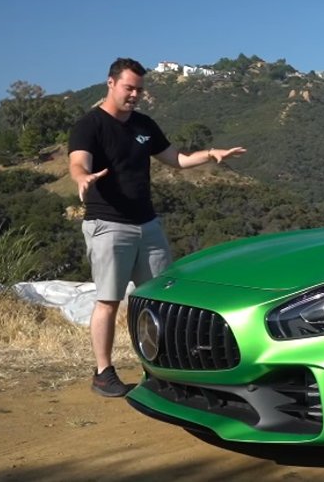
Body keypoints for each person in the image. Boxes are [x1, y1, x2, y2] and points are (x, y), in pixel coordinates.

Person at [68, 58, 246, 397]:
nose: (134, 94)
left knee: (161, 300)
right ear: (111, 83)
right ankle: (103, 372)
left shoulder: (144, 124)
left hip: (147, 225)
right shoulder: (90, 125)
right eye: (128, 87)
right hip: (108, 225)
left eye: (139, 90)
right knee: (108, 300)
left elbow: (175, 159)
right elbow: (78, 161)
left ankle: (161, 369)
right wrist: (81, 178)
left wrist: (211, 153)